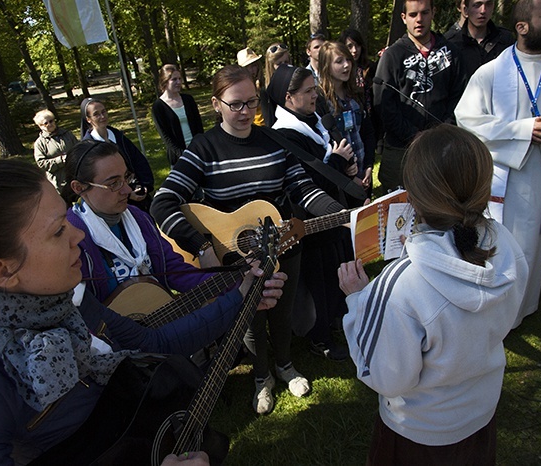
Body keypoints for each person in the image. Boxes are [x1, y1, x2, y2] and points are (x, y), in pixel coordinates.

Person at [0, 159, 284, 464]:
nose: (78, 236)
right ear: (0, 270)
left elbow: (152, 341)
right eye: (58, 231)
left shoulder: (67, 300)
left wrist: (240, 295)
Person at [151, 65, 347, 415]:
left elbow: (302, 188)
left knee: (282, 313)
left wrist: (342, 213)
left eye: (251, 103)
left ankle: (285, 366)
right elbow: (162, 202)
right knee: (251, 320)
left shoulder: (274, 140)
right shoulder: (203, 148)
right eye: (236, 104)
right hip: (236, 256)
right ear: (216, 104)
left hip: (285, 242)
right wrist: (202, 246)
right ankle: (261, 378)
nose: (245, 113)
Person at [339, 124, 529, 465]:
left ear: (411, 196)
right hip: (480, 414)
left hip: (418, 433)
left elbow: (387, 378)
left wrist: (358, 299)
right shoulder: (506, 245)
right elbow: (504, 315)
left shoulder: (400, 286)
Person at [455, 0, 541, 328]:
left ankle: (522, 310)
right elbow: (468, 120)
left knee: (535, 246)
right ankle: (494, 318)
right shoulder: (490, 73)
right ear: (522, 27)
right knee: (500, 250)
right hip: (502, 184)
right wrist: (524, 131)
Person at [63, 140, 217, 305]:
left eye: (126, 177)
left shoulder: (138, 217)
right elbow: (84, 310)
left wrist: (227, 282)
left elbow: (172, 270)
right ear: (78, 188)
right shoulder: (71, 239)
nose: (128, 190)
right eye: (114, 183)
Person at [268, 65, 352, 361]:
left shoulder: (313, 122)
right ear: (288, 98)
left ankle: (337, 320)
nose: (315, 94)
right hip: (310, 222)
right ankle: (320, 336)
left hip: (331, 214)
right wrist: (339, 164)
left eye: (314, 88)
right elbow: (306, 184)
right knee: (320, 280)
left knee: (337, 273)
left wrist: (346, 169)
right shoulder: (286, 135)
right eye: (308, 91)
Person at [373, 0, 466, 193]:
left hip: (441, 145)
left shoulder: (451, 53)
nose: (419, 20)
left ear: (433, 12)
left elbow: (460, 97)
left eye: (424, 13)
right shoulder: (392, 55)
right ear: (404, 17)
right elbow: (384, 104)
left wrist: (440, 132)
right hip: (401, 149)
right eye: (413, 15)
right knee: (397, 211)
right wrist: (413, 135)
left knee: (441, 202)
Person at [316, 41, 375, 200]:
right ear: (326, 66)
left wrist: (369, 166)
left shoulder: (355, 94)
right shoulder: (320, 100)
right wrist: (348, 176)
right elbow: (324, 145)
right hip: (342, 183)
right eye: (339, 61)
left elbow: (368, 133)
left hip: (364, 175)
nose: (346, 65)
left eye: (348, 60)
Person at [80, 98, 154, 207]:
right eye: (96, 114)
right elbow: (99, 182)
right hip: (116, 201)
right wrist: (128, 195)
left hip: (138, 192)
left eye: (104, 111)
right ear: (88, 119)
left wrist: (145, 185)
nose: (102, 116)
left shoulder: (118, 137)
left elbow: (138, 161)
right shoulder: (89, 148)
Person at [445, 0, 515, 82]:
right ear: (466, 10)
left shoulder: (505, 39)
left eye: (488, 4)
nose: (483, 11)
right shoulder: (451, 43)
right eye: (477, 5)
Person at [152, 65, 205, 168]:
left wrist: (200, 148)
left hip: (198, 152)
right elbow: (167, 138)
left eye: (180, 79)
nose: (179, 82)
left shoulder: (188, 99)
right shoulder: (158, 106)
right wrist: (184, 155)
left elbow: (199, 127)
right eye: (174, 79)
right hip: (179, 158)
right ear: (165, 81)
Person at [33, 109, 78, 190]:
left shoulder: (67, 134)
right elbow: (41, 164)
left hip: (76, 176)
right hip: (59, 182)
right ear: (40, 126)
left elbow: (79, 148)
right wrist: (61, 160)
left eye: (51, 121)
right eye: (46, 123)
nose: (50, 124)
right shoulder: (40, 143)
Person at [263, 43, 291, 126]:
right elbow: (269, 121)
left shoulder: (298, 83)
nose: (284, 66)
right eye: (279, 64)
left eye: (286, 62)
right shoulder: (266, 90)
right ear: (271, 66)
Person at [237, 47, 266, 126]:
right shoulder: (240, 88)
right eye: (248, 67)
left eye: (254, 66)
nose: (252, 70)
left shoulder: (264, 83)